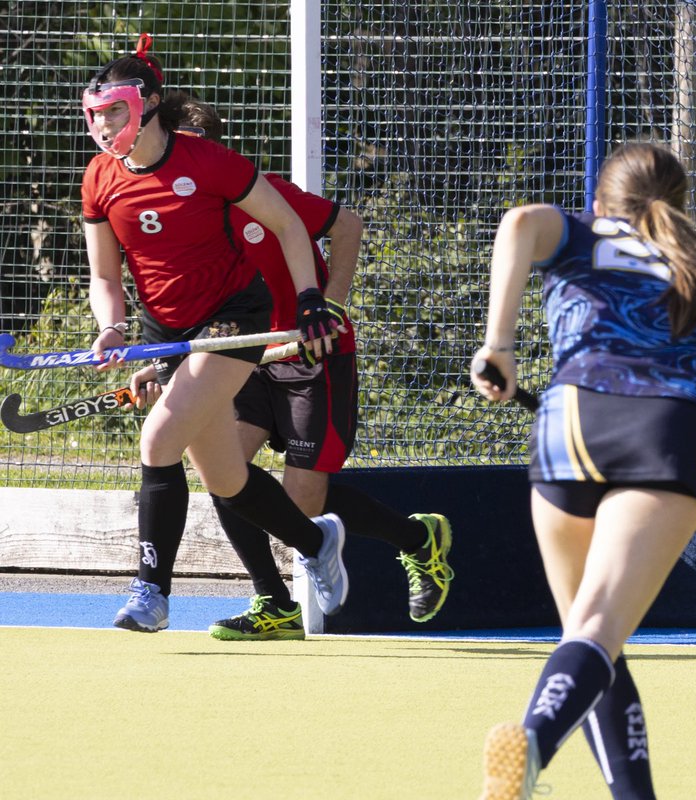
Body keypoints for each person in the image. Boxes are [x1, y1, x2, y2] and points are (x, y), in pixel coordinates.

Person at [469, 142, 696, 799]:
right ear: (681, 207)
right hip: (669, 427)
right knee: (600, 629)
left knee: (592, 636)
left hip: (570, 421)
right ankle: (533, 744)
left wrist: (499, 346)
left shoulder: (577, 230)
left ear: (602, 201)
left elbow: (518, 222)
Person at [130, 99, 452, 639]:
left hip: (309, 356)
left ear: (208, 152)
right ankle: (274, 602)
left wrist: (331, 307)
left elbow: (347, 226)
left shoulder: (261, 193)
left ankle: (418, 540)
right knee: (223, 471)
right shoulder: (168, 215)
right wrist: (159, 360)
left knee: (307, 495)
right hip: (240, 358)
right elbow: (167, 298)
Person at [81, 34, 349, 632]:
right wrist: (112, 328)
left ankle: (151, 592)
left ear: (147, 103)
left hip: (234, 317)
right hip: (164, 329)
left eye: (115, 110)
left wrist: (311, 300)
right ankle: (315, 542)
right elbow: (105, 274)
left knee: (157, 440)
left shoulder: (208, 162)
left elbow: (286, 225)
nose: (104, 126)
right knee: (225, 478)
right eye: (95, 114)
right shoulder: (99, 179)